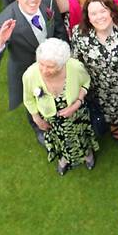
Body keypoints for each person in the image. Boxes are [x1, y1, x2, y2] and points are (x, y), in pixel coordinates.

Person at [0, 0, 67, 143]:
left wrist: (65, 55)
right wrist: (0, 42)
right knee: (34, 101)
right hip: (28, 70)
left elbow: (57, 27)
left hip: (54, 64)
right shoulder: (4, 21)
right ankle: (39, 129)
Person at [21, 38, 98, 175]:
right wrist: (37, 119)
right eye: (42, 64)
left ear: (62, 63)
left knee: (80, 136)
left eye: (50, 66)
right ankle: (64, 158)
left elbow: (86, 82)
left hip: (76, 114)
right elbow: (28, 99)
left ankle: (88, 155)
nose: (44, 70)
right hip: (51, 118)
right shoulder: (30, 74)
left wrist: (76, 104)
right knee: (60, 139)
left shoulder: (75, 67)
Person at [71, 0, 118, 139]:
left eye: (103, 11)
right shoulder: (79, 34)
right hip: (100, 87)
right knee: (107, 110)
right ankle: (114, 123)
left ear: (112, 11)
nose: (99, 17)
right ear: (88, 17)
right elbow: (76, 61)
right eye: (94, 13)